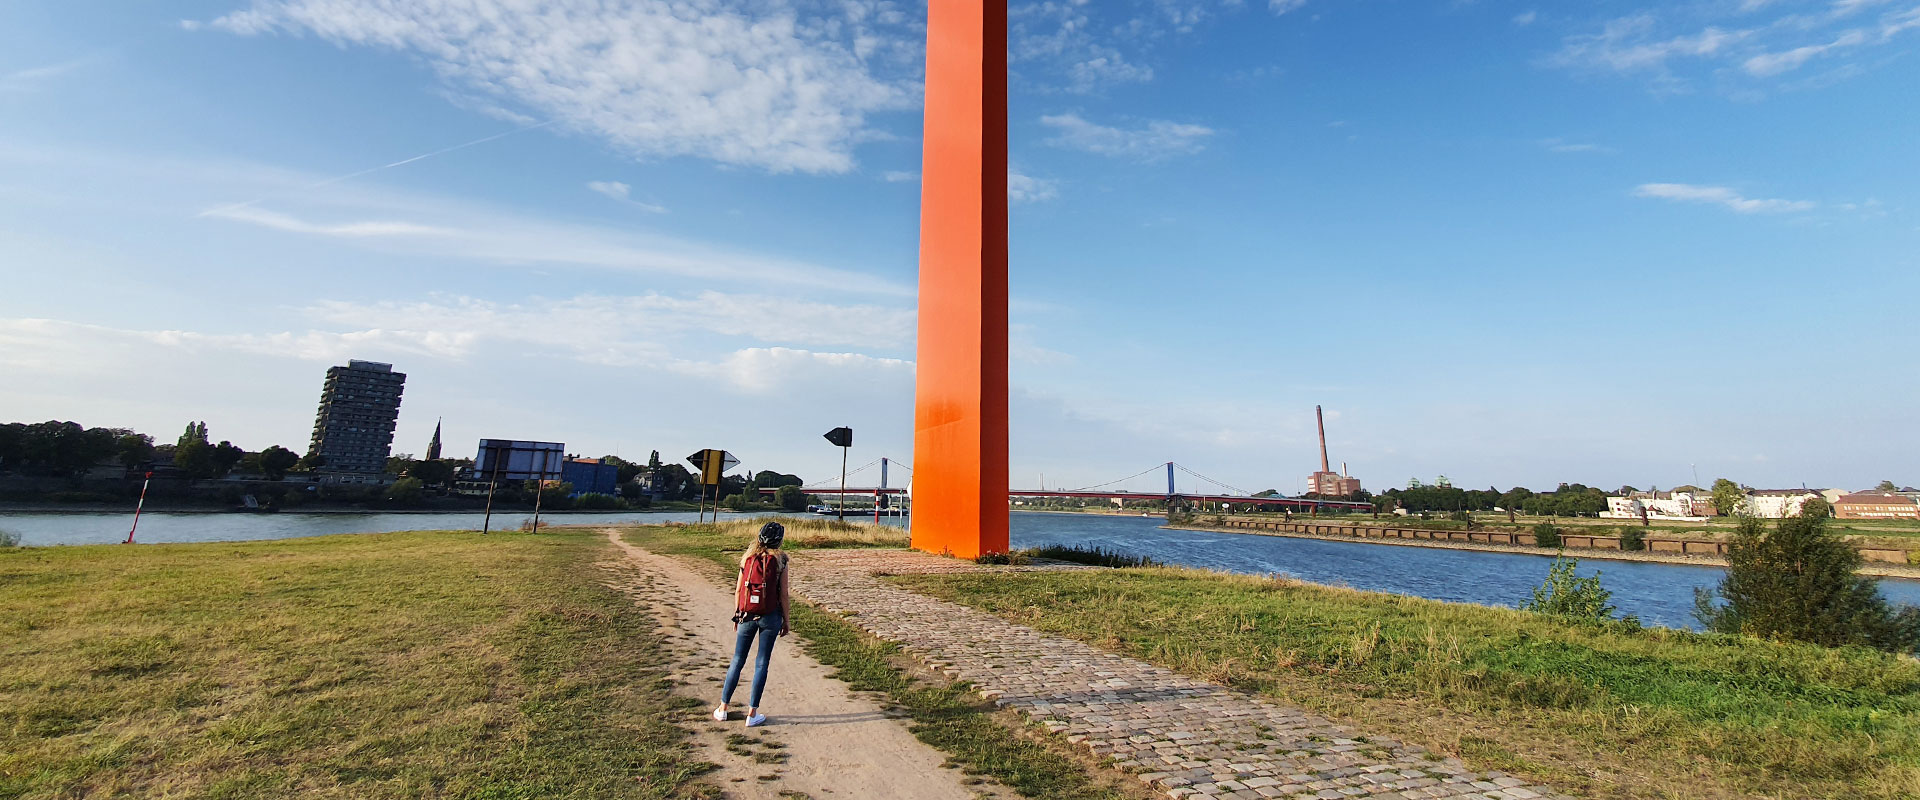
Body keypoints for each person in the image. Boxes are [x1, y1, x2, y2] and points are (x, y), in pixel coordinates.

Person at [714, 521, 791, 727]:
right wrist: (786, 621)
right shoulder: (781, 560)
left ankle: (723, 708)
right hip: (770, 617)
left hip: (747, 615)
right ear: (780, 541)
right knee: (761, 662)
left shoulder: (747, 558)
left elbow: (739, 590)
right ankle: (752, 714)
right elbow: (783, 594)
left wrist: (738, 614)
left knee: (738, 659)